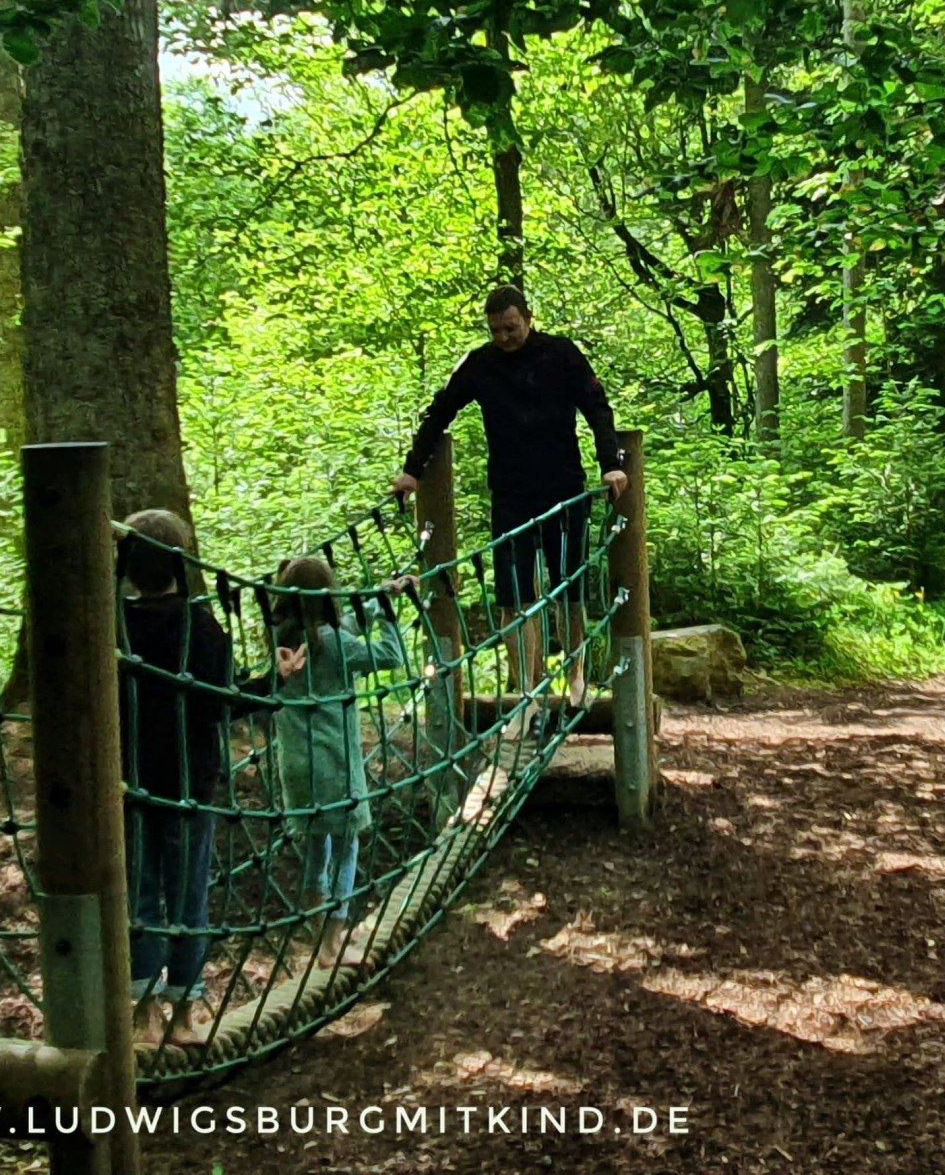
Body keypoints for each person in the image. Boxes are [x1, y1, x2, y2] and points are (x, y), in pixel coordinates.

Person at [391, 284, 628, 698]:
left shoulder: (562, 354)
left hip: (563, 489)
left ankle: (575, 679)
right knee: (512, 595)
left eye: (511, 328)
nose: (504, 337)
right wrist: (412, 470)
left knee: (568, 588)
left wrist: (611, 464)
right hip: (510, 495)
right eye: (496, 330)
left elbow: (596, 406)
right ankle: (527, 690)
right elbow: (441, 409)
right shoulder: (481, 364)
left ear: (528, 318)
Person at [116, 508, 235, 1047]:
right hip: (191, 785)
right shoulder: (202, 627)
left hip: (133, 782)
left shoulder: (114, 627)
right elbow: (220, 706)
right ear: (180, 563)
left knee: (140, 898)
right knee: (189, 899)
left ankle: (141, 1017)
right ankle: (185, 1015)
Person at [267, 557, 415, 969]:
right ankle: (334, 942)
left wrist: (377, 597)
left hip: (295, 764)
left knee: (316, 847)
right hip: (334, 761)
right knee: (347, 844)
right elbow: (389, 655)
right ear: (328, 594)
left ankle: (318, 939)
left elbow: (343, 623)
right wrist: (387, 614)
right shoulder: (338, 644)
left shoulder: (278, 637)